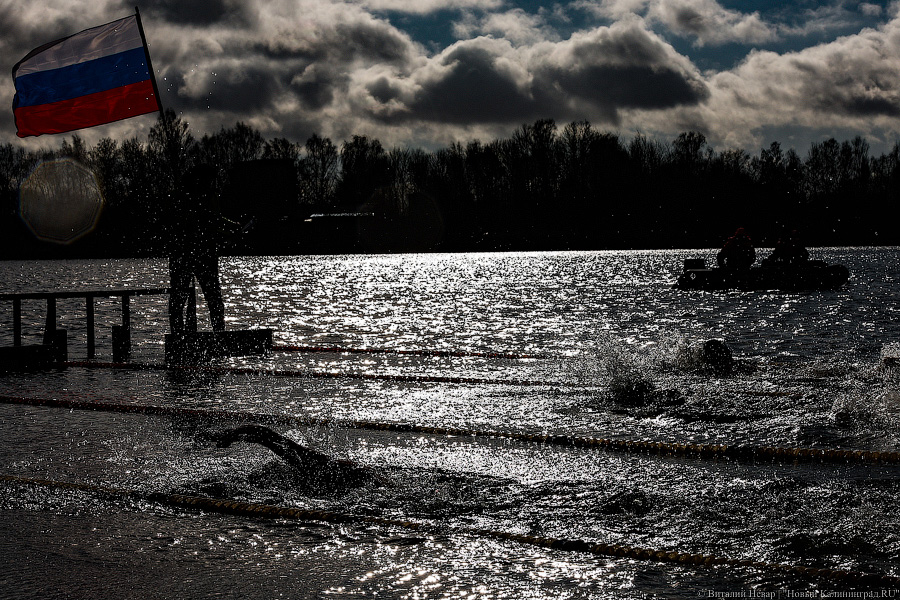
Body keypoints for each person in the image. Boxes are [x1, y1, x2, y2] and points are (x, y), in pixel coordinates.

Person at [168, 164, 226, 334]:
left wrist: (230, 227)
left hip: (200, 254)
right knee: (182, 299)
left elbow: (215, 219)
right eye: (210, 181)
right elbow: (207, 221)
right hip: (190, 254)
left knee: (212, 299)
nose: (213, 184)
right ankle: (179, 336)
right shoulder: (187, 197)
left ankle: (218, 334)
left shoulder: (204, 196)